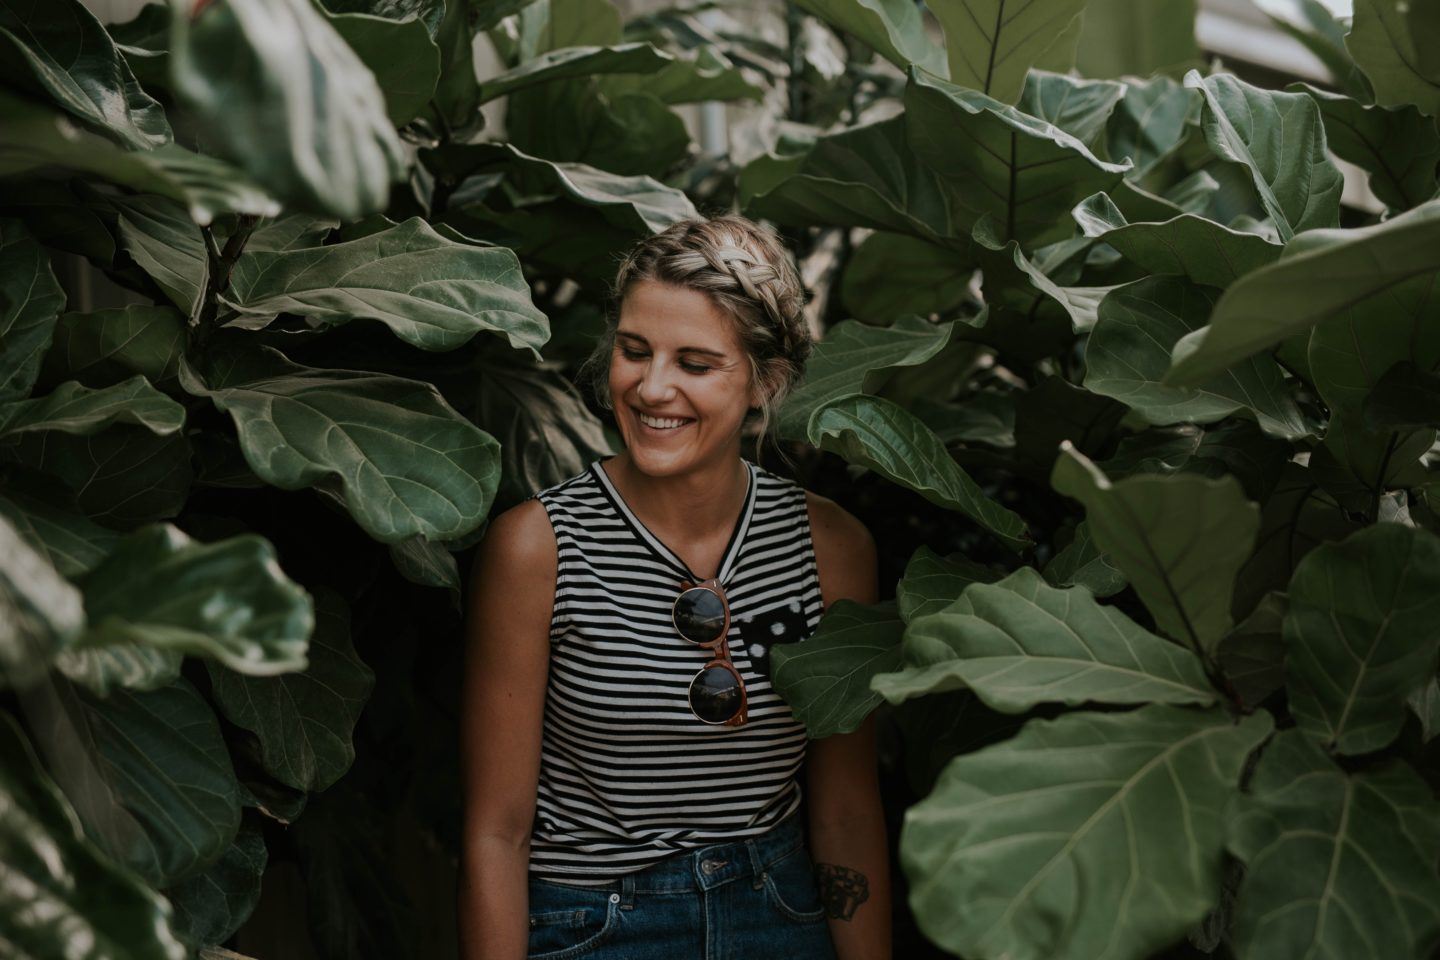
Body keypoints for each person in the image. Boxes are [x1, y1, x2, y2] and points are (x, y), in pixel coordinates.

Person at [458, 214, 890, 960]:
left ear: (766, 381)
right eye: (634, 351)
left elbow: (846, 808)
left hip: (781, 917)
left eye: (694, 363)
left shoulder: (833, 548)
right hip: (592, 927)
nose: (652, 387)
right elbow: (498, 830)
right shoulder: (537, 548)